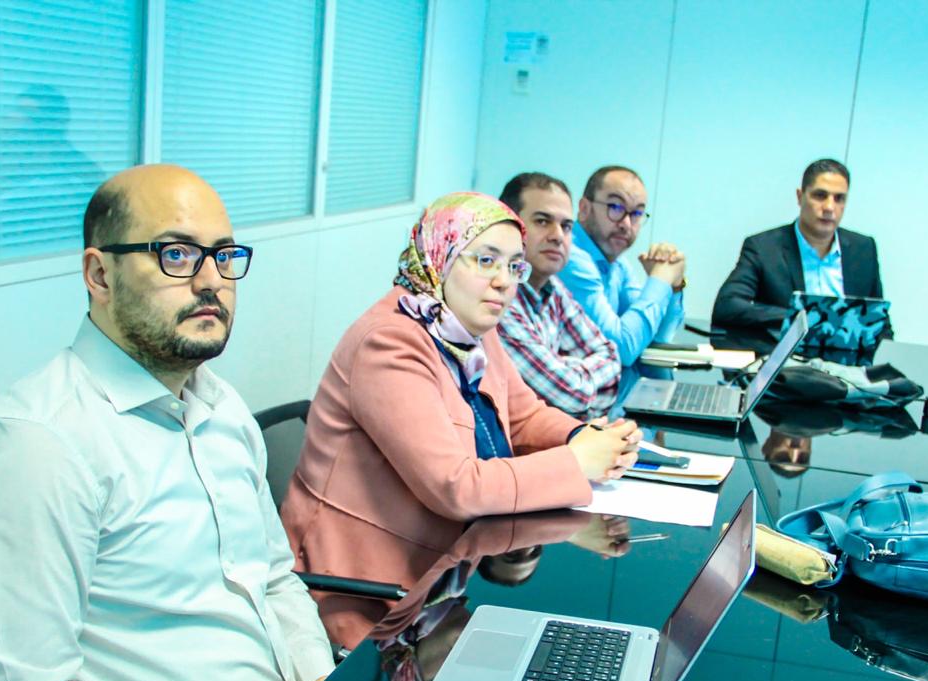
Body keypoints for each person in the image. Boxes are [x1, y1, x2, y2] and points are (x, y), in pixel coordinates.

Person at [0, 164, 334, 681]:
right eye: (176, 254)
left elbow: (274, 580)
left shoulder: (220, 408)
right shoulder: (36, 447)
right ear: (99, 275)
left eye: (224, 257)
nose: (210, 281)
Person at [282, 192, 641, 645]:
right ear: (441, 255)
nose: (504, 282)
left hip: (446, 573)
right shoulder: (389, 343)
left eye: (514, 266)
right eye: (486, 260)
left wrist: (584, 436)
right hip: (372, 600)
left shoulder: (468, 326)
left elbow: (522, 416)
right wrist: (576, 463)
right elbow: (455, 488)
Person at [496, 172, 621, 418]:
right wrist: (576, 374)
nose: (557, 236)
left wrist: (567, 369)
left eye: (566, 226)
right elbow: (571, 396)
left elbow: (611, 357)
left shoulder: (553, 288)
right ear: (508, 227)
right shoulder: (499, 297)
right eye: (543, 221)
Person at [712, 159, 883, 329]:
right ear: (800, 197)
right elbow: (727, 305)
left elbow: (878, 320)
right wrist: (801, 318)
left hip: (845, 346)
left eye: (839, 198)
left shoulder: (863, 249)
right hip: (786, 345)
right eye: (820, 196)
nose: (829, 207)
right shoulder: (764, 248)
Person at [558, 165, 686, 365]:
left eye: (637, 213)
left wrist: (675, 285)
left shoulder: (618, 264)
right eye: (616, 207)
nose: (626, 224)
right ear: (584, 209)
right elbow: (621, 349)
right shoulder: (570, 258)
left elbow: (659, 337)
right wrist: (661, 278)